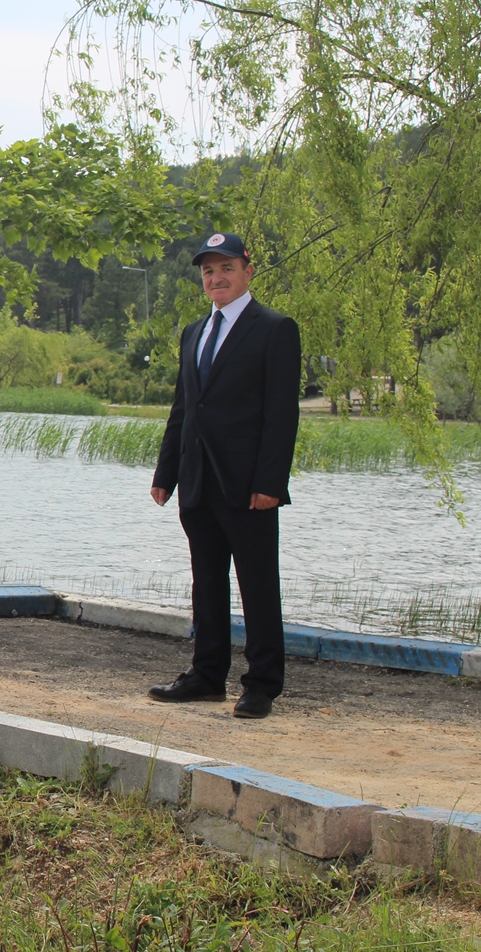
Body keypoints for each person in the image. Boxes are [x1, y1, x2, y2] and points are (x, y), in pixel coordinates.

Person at [149, 232, 301, 719]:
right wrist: (165, 472)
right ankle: (207, 675)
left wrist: (270, 484)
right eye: (208, 271)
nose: (217, 278)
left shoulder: (274, 329)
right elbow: (184, 408)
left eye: (227, 269)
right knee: (206, 580)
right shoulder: (194, 332)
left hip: (248, 485)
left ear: (247, 271)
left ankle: (261, 685)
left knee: (257, 585)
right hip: (197, 481)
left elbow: (282, 415)